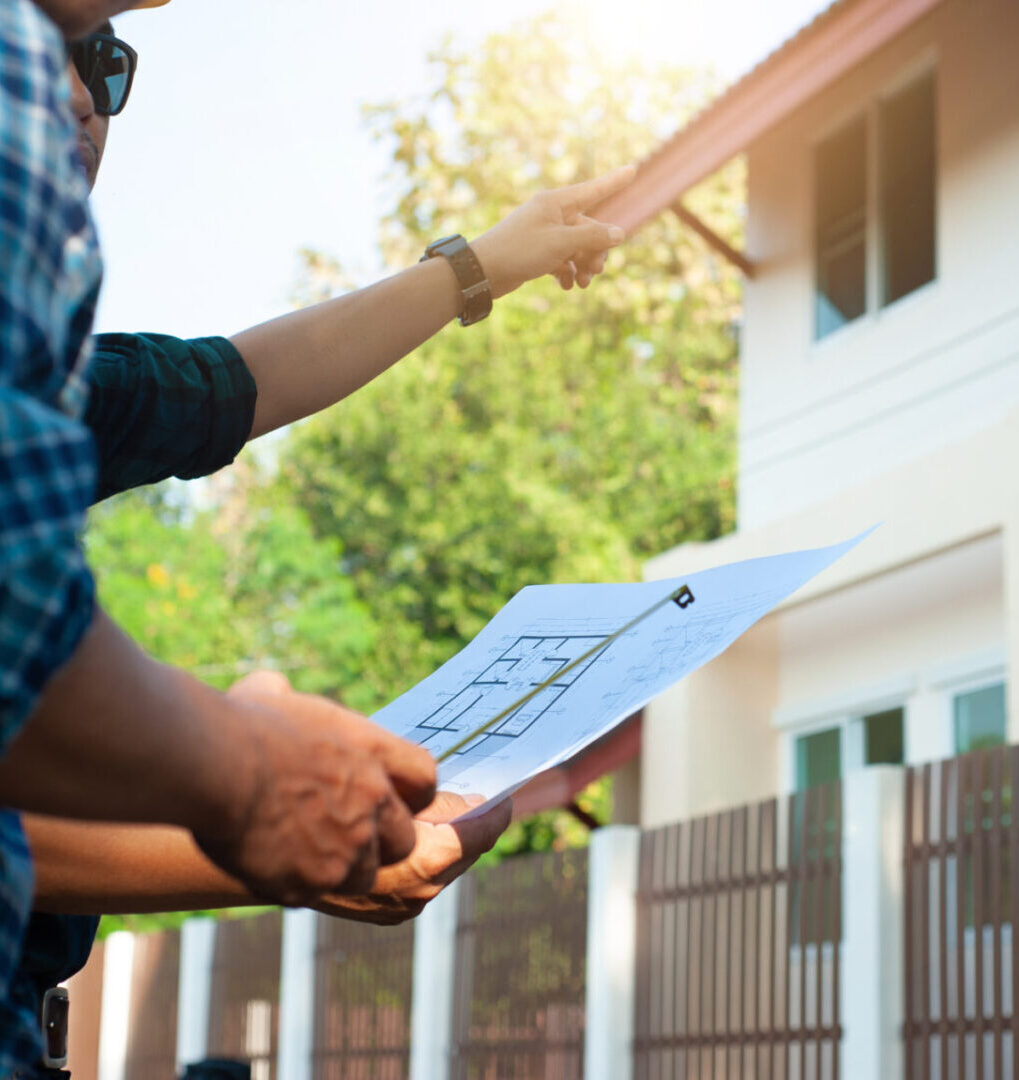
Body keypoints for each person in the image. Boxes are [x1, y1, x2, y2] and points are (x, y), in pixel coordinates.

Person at [0, 0, 629, 1070]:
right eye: (30, 39)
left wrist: (481, 265)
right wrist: (250, 792)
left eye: (102, 60)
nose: (70, 95)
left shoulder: (56, 390)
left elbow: (233, 384)